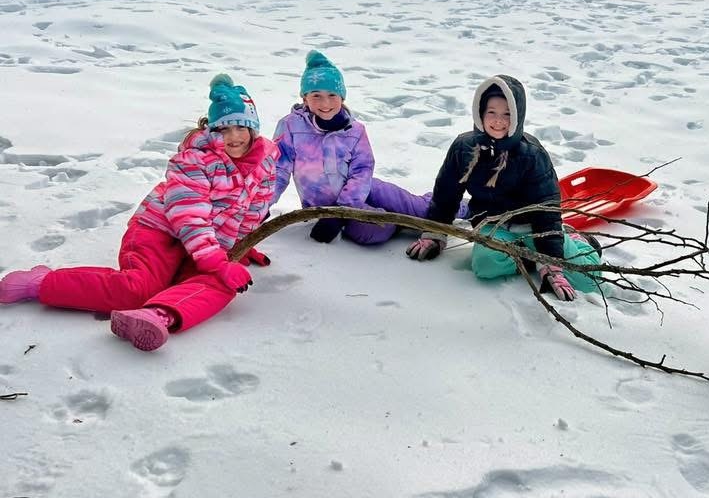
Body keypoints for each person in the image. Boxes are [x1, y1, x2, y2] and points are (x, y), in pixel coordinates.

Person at [0, 74, 278, 352]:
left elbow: (254, 208)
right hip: (159, 230)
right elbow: (190, 217)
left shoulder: (264, 163)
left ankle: (158, 315)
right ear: (212, 131)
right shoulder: (194, 161)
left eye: (241, 127)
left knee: (225, 281)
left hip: (204, 244)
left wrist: (241, 247)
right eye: (224, 129)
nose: (234, 137)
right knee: (140, 288)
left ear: (253, 128)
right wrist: (217, 261)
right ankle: (42, 283)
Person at [405, 74, 601, 301]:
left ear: (517, 116)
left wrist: (550, 261)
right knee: (485, 266)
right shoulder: (464, 148)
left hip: (534, 227)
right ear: (480, 113)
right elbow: (446, 193)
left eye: (507, 114)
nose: (498, 120)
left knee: (588, 281)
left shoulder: (532, 155)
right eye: (492, 112)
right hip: (492, 224)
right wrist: (435, 232)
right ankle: (527, 256)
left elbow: (546, 209)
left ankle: (576, 241)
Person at [271, 50, 462, 244]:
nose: (325, 102)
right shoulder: (290, 127)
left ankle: (467, 208)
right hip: (325, 208)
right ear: (305, 98)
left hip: (366, 188)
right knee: (374, 233)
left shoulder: (354, 130)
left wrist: (341, 211)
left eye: (332, 94)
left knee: (421, 209)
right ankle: (401, 222)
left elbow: (362, 169)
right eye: (316, 95)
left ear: (342, 97)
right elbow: (277, 171)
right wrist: (260, 207)